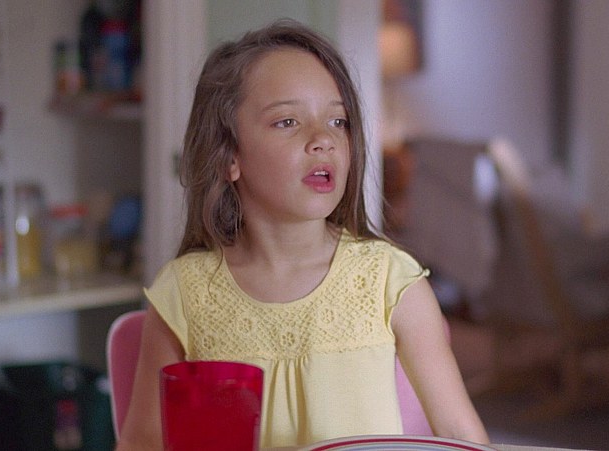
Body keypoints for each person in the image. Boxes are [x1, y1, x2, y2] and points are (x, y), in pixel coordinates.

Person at [116, 19, 489, 450]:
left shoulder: (391, 281)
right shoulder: (184, 293)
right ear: (228, 156)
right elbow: (141, 443)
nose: (323, 139)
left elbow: (461, 435)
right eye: (288, 121)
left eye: (338, 121)